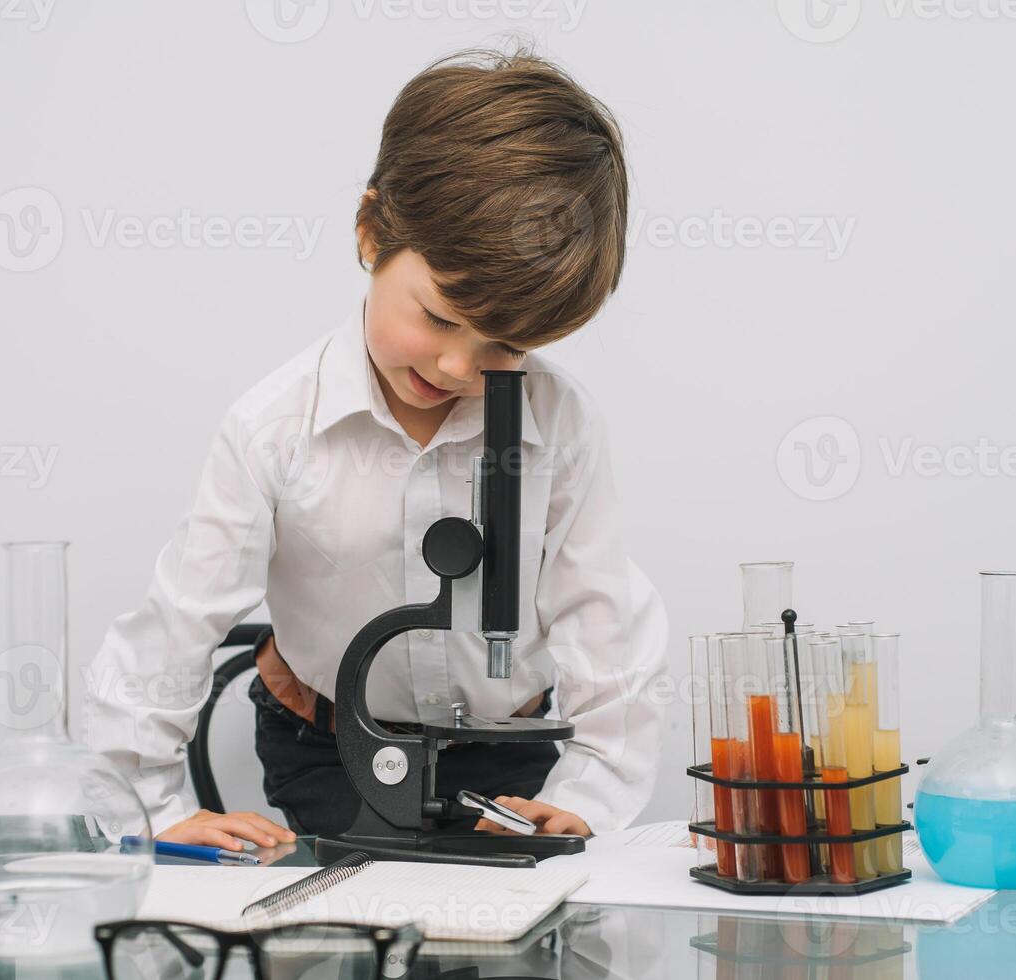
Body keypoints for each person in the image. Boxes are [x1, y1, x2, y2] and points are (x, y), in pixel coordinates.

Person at [86, 47, 667, 851]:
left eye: (506, 345)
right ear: (371, 231)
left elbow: (603, 624)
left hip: (514, 763)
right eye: (438, 317)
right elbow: (179, 621)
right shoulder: (272, 427)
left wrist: (591, 796)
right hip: (327, 752)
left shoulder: (559, 425)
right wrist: (147, 811)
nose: (458, 366)